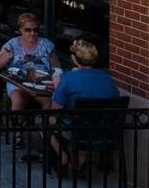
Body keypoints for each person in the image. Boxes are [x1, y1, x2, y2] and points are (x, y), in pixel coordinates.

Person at [48, 39, 120, 176]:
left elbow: (55, 108)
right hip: (105, 130)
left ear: (74, 59)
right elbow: (115, 98)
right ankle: (81, 160)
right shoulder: (107, 78)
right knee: (83, 124)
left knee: (46, 121)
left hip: (77, 129)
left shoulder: (68, 78)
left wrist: (57, 87)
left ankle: (63, 157)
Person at [0, 12, 61, 116]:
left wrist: (55, 77)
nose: (32, 33)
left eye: (35, 30)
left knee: (48, 102)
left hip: (40, 83)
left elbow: (56, 67)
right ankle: (18, 129)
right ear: (20, 29)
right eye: (28, 30)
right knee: (18, 100)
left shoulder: (46, 45)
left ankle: (44, 128)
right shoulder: (12, 44)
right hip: (17, 82)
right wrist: (5, 57)